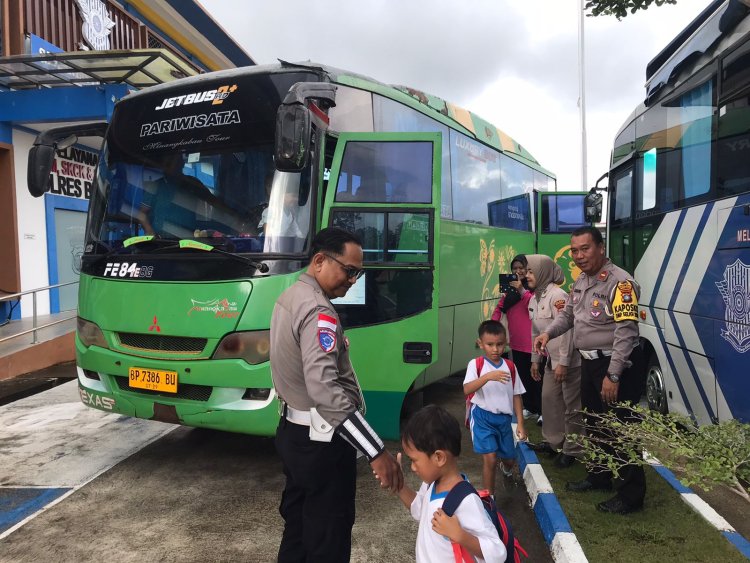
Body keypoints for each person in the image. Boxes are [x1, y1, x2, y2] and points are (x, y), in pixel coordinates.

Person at [270, 227, 403, 562]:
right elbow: (325, 390)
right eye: (349, 270)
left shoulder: (290, 296)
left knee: (298, 531)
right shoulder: (319, 312)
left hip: (293, 434)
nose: (353, 280)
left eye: (357, 273)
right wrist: (376, 452)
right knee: (328, 537)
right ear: (319, 261)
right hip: (321, 445)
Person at [533, 226, 646, 515]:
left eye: (585, 248)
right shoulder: (582, 280)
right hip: (589, 363)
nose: (579, 255)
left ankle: (631, 496)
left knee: (621, 430)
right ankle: (599, 476)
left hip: (615, 365)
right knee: (594, 423)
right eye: (574, 250)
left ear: (600, 248)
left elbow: (626, 331)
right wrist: (548, 333)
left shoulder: (620, 283)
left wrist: (614, 374)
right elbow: (569, 316)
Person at [393, 404, 506, 563]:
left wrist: (460, 535)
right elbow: (420, 510)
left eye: (414, 460)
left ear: (439, 457)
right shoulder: (431, 484)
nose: (412, 467)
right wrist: (398, 486)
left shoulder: (466, 501)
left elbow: (497, 552)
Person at [525, 254, 583, 468]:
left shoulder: (558, 295)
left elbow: (568, 331)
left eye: (531, 271)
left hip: (568, 360)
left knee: (571, 406)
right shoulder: (535, 297)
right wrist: (535, 360)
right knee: (549, 400)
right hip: (551, 359)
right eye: (527, 271)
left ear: (543, 272)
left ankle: (573, 449)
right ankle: (553, 442)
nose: (526, 275)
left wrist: (564, 362)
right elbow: (535, 333)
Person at [463, 320, 527, 495]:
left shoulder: (510, 367)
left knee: (509, 460)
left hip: (504, 420)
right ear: (480, 344)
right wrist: (487, 377)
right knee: (490, 459)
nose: (495, 349)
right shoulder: (476, 365)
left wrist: (520, 423)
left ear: (505, 342)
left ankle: (506, 469)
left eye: (499, 344)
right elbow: (467, 389)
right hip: (482, 417)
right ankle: (489, 497)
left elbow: (517, 395)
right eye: (490, 344)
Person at [491, 254, 541, 423]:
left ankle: (542, 410)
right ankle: (530, 407)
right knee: (523, 377)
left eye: (522, 268)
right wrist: (491, 327)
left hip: (534, 343)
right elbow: (500, 308)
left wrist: (521, 289)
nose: (518, 271)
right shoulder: (509, 291)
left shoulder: (535, 288)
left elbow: (532, 304)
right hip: (517, 342)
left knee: (538, 377)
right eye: (515, 268)